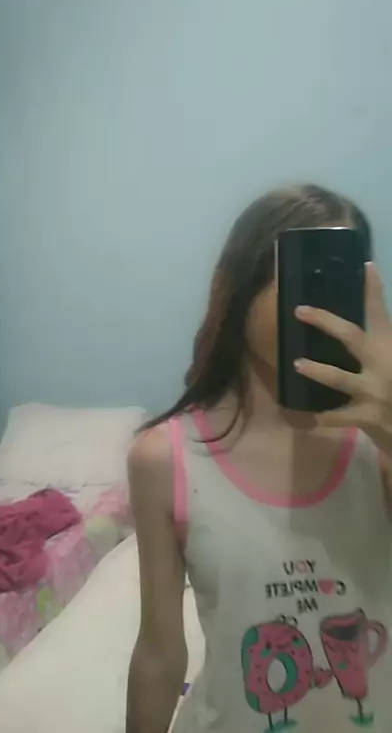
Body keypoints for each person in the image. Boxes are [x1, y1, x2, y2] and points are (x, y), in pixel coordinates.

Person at [126, 184, 392, 733]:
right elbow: (160, 651)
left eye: (341, 281)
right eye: (304, 275)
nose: (322, 305)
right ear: (239, 288)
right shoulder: (164, 458)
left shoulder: (378, 445)